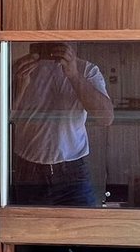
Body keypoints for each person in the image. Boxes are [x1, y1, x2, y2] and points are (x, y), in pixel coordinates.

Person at [9, 43, 114, 206]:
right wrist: (19, 86)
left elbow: (106, 118)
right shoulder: (18, 68)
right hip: (28, 171)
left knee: (83, 223)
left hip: (73, 172)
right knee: (29, 224)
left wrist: (74, 75)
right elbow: (0, 120)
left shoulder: (86, 70)